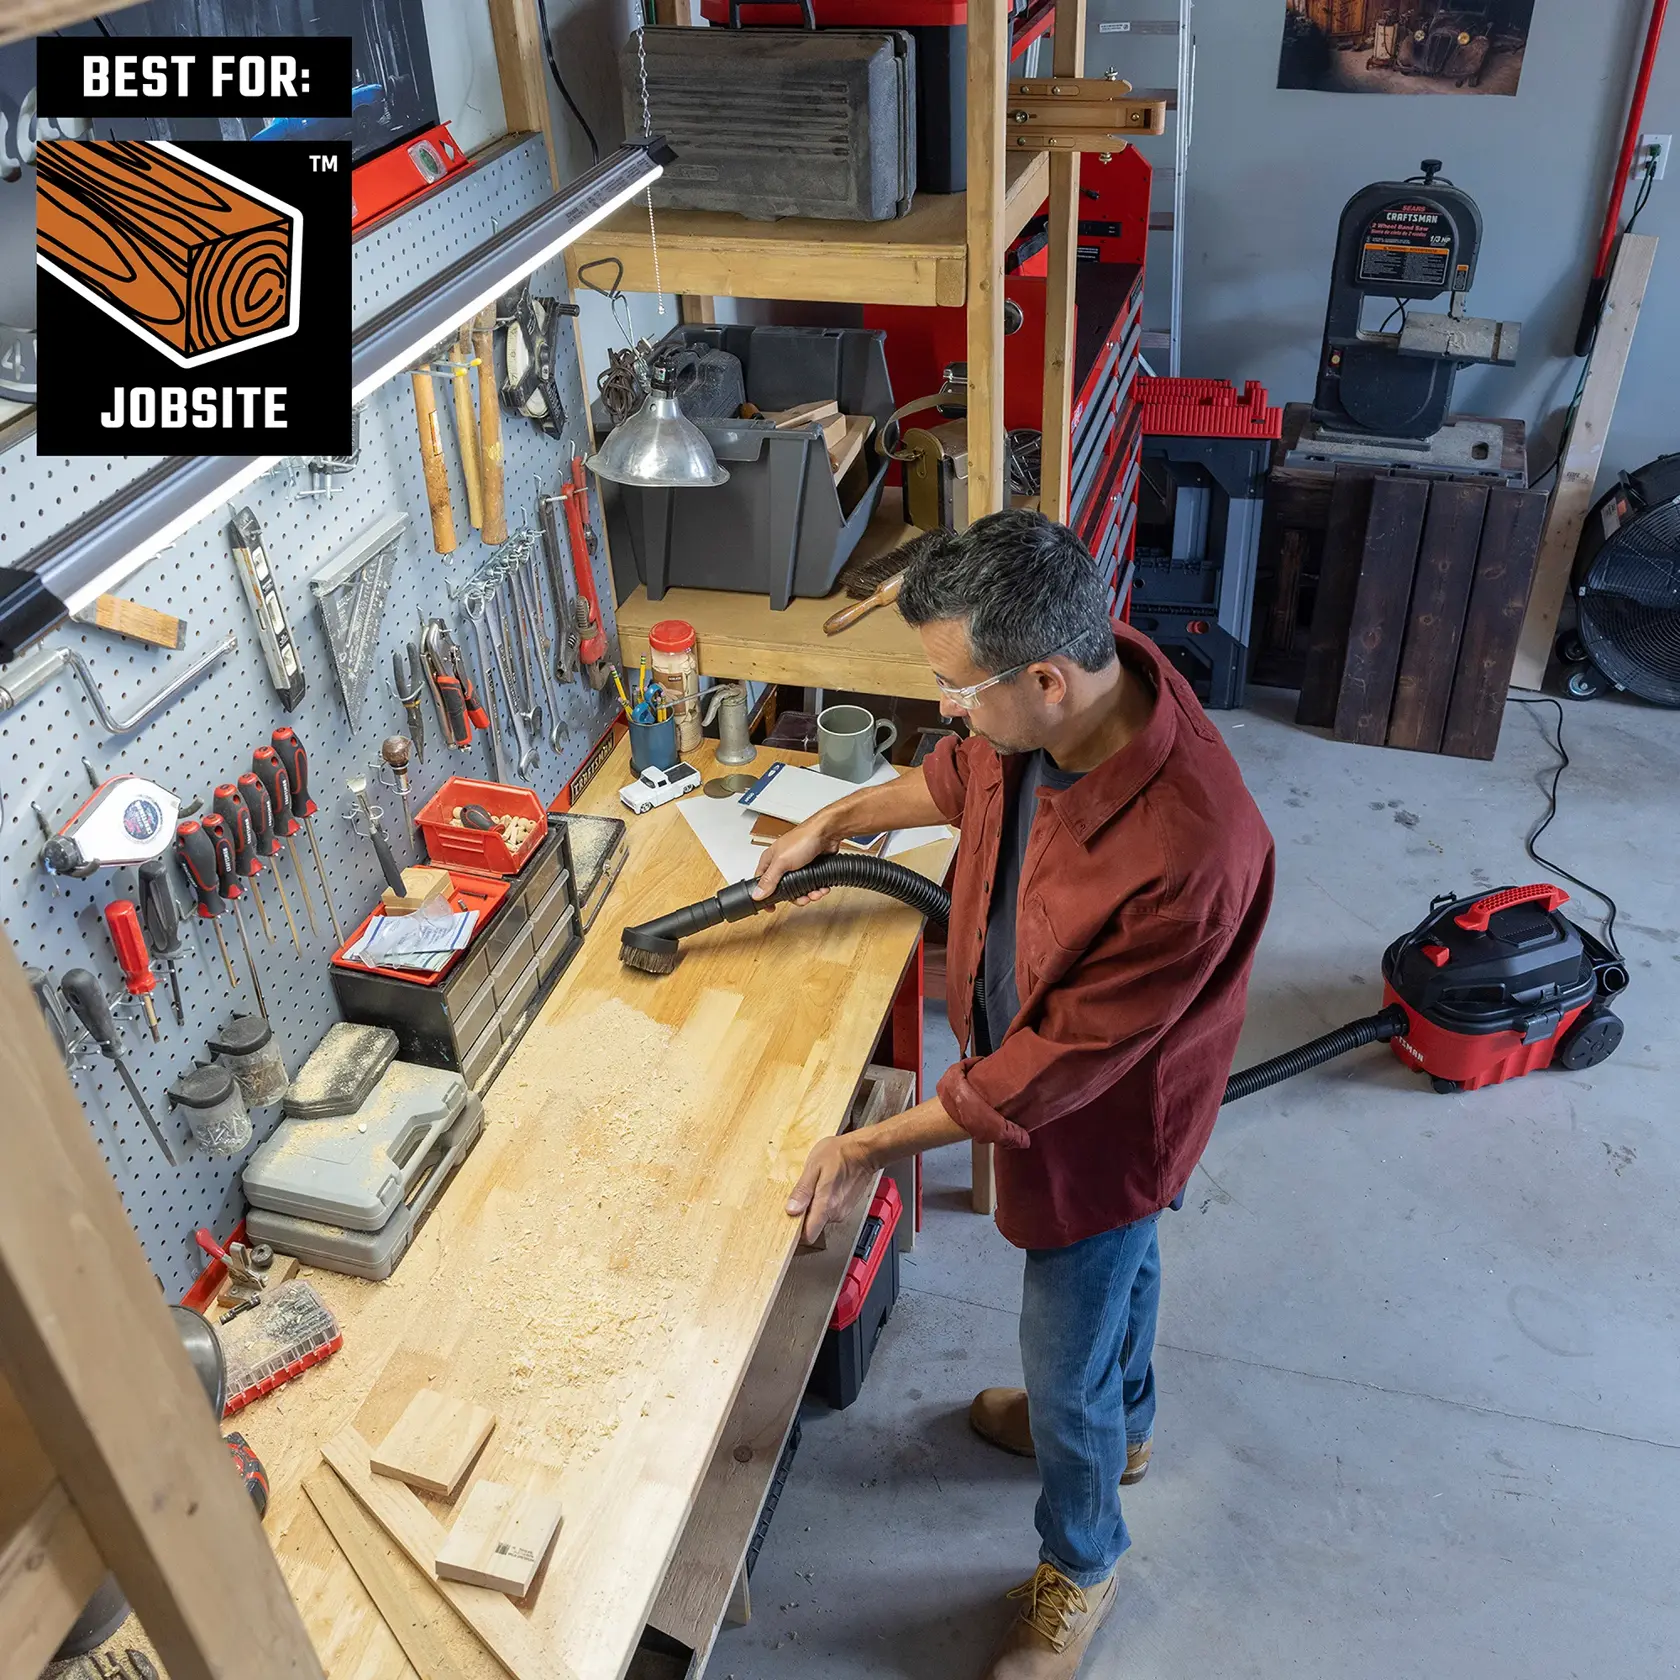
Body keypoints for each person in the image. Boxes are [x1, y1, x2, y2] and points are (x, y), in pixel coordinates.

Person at [753, 510, 1275, 1679]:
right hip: (1053, 1079)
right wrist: (829, 819)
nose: (945, 706)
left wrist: (868, 1145)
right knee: (1126, 1275)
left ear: (1044, 678)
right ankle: (1127, 1430)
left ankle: (1083, 1560)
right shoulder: (1064, 691)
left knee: (1066, 1344)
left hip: (1108, 1122)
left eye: (956, 684)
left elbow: (1044, 1080)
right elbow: (954, 780)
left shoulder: (1190, 850)